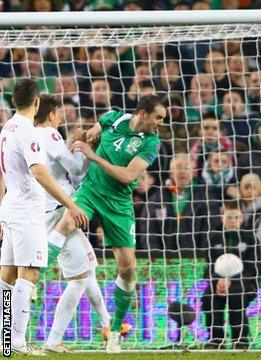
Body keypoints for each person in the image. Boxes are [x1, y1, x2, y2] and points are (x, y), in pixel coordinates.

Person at [46, 94, 165, 353]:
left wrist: (94, 156)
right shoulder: (113, 117)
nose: (160, 123)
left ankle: (114, 332)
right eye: (158, 117)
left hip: (119, 204)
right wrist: (78, 141)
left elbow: (127, 176)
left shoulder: (152, 143)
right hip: (90, 190)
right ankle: (34, 275)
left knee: (127, 269)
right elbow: (86, 136)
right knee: (67, 223)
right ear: (142, 113)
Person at [0, 79, 88, 355]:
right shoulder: (27, 131)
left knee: (8, 274)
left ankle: (3, 339)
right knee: (29, 274)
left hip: (10, 207)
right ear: (37, 103)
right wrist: (70, 204)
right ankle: (17, 342)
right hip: (27, 212)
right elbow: (39, 172)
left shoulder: (7, 127)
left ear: (15, 102)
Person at [33, 95, 127, 352]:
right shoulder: (49, 135)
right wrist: (83, 147)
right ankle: (53, 341)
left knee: (88, 267)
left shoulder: (31, 136)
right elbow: (75, 169)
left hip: (44, 210)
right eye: (59, 113)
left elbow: (55, 166)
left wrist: (73, 143)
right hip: (57, 211)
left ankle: (108, 324)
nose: (61, 117)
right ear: (51, 115)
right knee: (78, 278)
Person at [201, 201, 261, 349]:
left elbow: (253, 268)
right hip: (219, 281)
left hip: (245, 282)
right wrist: (218, 280)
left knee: (236, 295)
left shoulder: (250, 238)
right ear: (222, 218)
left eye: (236, 217)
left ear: (241, 219)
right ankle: (216, 340)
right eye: (229, 217)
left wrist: (231, 280)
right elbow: (209, 265)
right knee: (209, 297)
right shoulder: (213, 237)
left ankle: (240, 340)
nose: (233, 221)